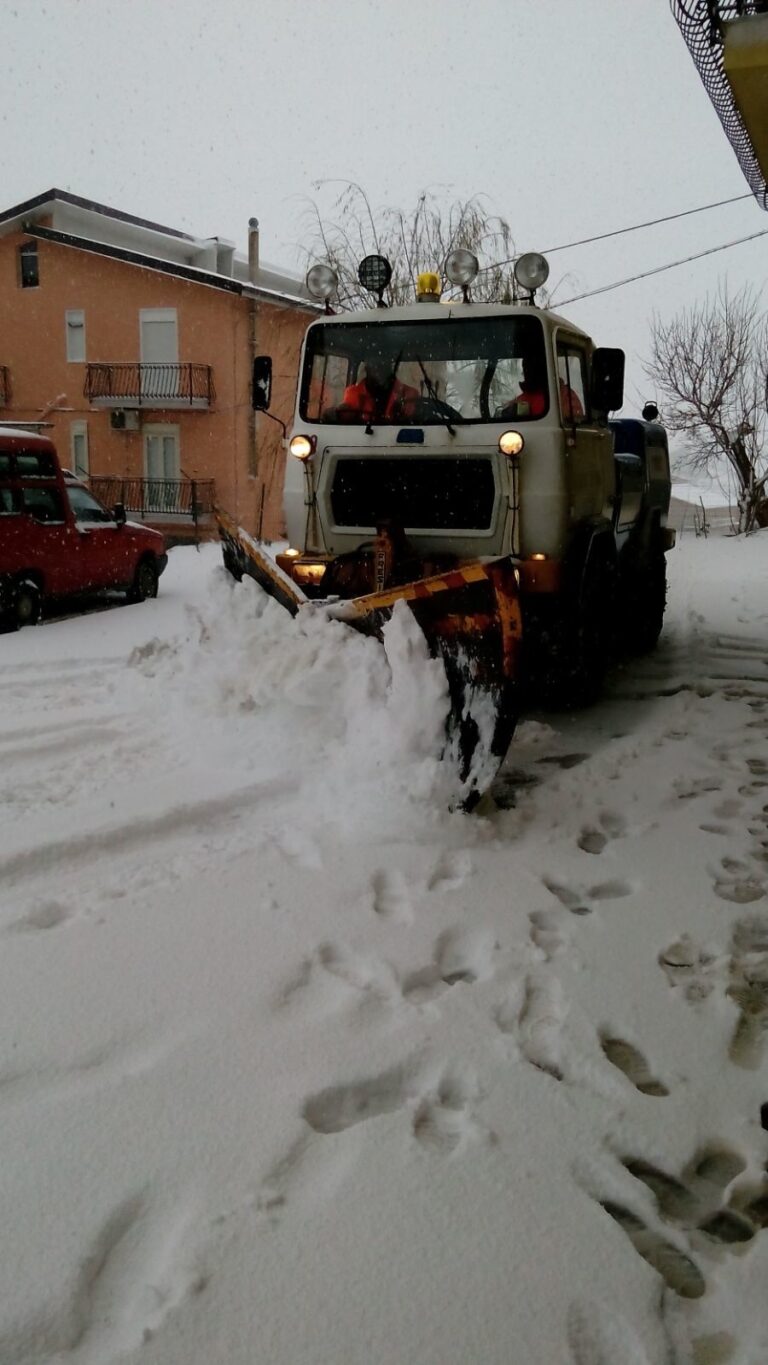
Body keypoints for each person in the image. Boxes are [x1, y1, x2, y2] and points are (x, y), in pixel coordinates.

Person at [501, 357, 584, 422]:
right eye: (526, 368)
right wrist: (507, 415)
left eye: (532, 367)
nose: (527, 372)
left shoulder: (565, 396)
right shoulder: (520, 400)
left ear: (546, 369)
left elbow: (575, 426)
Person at [338, 357, 419, 422]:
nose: (378, 370)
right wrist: (334, 414)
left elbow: (411, 423)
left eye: (382, 365)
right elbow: (346, 419)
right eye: (374, 365)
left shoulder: (407, 393)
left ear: (390, 369)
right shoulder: (354, 393)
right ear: (367, 368)